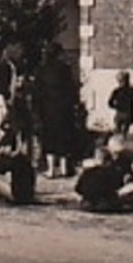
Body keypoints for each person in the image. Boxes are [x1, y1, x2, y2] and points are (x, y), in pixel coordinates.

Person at [33, 42, 81, 178]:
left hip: (48, 111)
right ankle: (65, 168)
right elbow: (72, 90)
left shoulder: (41, 71)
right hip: (64, 110)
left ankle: (51, 170)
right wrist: (74, 105)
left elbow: (37, 93)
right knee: (64, 138)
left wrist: (37, 111)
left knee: (50, 139)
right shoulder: (65, 69)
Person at [107, 71, 133, 141]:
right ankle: (121, 143)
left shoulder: (117, 91)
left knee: (118, 130)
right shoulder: (130, 90)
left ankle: (118, 144)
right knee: (123, 131)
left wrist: (116, 106)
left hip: (120, 113)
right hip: (126, 113)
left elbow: (110, 103)